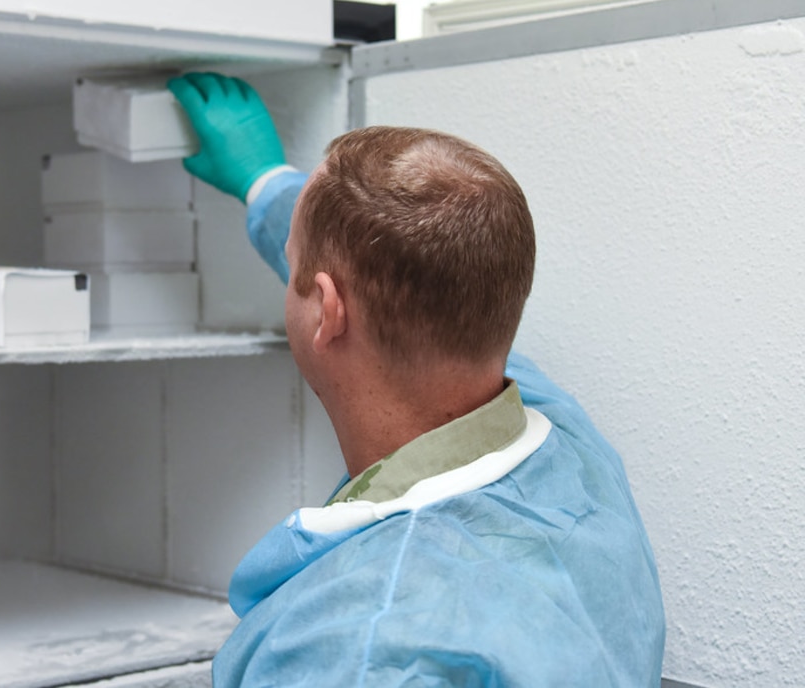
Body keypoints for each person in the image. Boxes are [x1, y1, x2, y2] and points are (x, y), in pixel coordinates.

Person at [167, 72, 666, 687]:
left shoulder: (363, 651)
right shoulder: (567, 441)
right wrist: (264, 182)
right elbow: (419, 264)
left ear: (327, 311)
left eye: (294, 258)